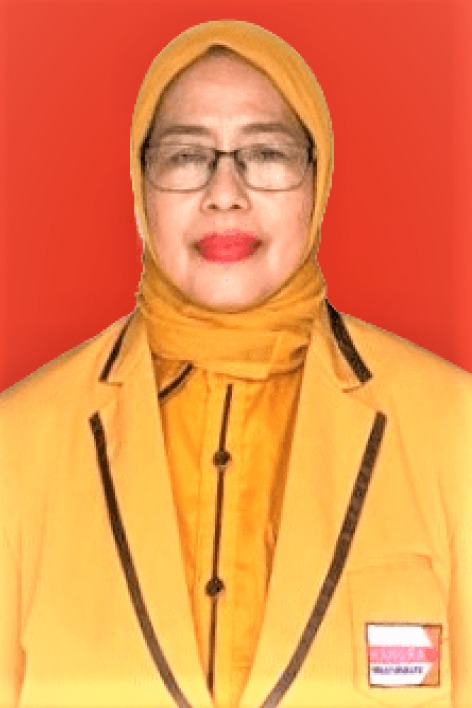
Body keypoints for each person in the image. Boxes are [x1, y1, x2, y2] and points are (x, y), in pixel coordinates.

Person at [1, 18, 471, 708]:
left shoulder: (453, 431)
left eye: (267, 153)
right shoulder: (17, 446)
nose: (225, 193)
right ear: (140, 184)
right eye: (186, 156)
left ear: (318, 179)